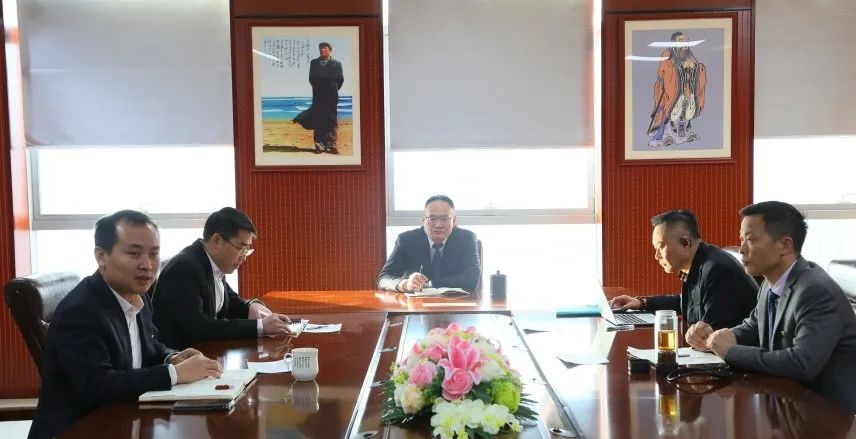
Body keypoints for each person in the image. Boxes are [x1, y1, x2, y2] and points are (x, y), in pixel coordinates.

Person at [29, 210, 222, 439]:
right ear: (101, 256)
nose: (147, 265)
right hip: (80, 430)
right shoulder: (81, 311)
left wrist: (171, 358)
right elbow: (98, 385)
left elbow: (147, 346)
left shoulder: (137, 296)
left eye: (154, 254)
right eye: (134, 253)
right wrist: (174, 374)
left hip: (121, 420)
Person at [686, 201, 856, 414]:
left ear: (785, 245)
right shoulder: (769, 284)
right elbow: (754, 326)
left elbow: (802, 364)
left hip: (830, 415)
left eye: (751, 239)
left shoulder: (815, 291)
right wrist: (715, 338)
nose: (741, 249)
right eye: (742, 239)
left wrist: (731, 352)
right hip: (788, 405)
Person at [151, 207, 291, 350]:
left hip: (204, 353)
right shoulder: (184, 269)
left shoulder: (211, 263)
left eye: (247, 250)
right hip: (180, 357)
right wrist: (260, 327)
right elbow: (198, 328)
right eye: (240, 248)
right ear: (217, 240)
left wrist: (251, 305)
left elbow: (229, 302)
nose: (243, 257)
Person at [610, 209, 757, 329]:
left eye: (660, 247)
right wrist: (642, 303)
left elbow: (711, 335)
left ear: (685, 243)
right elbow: (688, 302)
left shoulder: (717, 271)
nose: (656, 256)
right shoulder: (701, 262)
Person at [378, 195, 480, 293]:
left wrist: (430, 283)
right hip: (416, 303)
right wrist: (405, 284)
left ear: (454, 221)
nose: (438, 225)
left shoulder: (466, 239)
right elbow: (384, 278)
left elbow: (471, 279)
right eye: (432, 218)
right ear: (423, 220)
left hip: (455, 302)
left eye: (445, 219)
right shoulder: (406, 240)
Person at [648, 31, 707, 148]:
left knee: (685, 111)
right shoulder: (667, 54)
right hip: (669, 88)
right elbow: (664, 72)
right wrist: (680, 67)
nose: (685, 43)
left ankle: (682, 134)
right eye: (681, 40)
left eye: (686, 40)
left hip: (686, 90)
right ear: (674, 42)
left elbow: (697, 69)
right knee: (668, 111)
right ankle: (665, 135)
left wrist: (695, 67)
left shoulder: (689, 55)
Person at [293, 41, 344, 154]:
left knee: (331, 120)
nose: (322, 50)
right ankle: (319, 146)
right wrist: (320, 89)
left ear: (330, 50)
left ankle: (331, 145)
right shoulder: (314, 63)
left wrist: (331, 89)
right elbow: (311, 79)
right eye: (321, 48)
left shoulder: (337, 64)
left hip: (331, 97)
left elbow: (340, 80)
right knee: (319, 120)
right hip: (318, 96)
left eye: (325, 48)